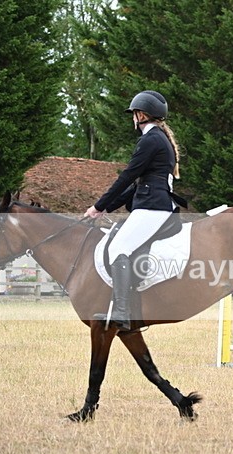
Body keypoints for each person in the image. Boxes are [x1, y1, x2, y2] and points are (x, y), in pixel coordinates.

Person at [85, 90, 183, 331]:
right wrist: (106, 208)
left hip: (153, 206)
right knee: (122, 245)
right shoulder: (159, 138)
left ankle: (121, 311)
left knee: (118, 247)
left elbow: (128, 176)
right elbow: (136, 185)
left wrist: (98, 206)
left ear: (141, 115)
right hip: (154, 202)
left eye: (134, 114)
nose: (132, 119)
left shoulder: (150, 140)